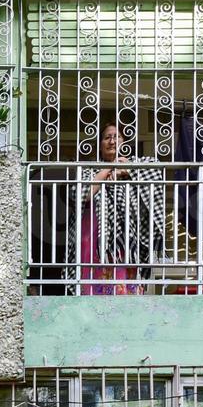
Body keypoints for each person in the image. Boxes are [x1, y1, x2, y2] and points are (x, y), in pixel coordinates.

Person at [74, 122, 165, 295]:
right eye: (107, 137)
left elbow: (155, 175)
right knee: (95, 291)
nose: (112, 141)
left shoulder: (137, 164)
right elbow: (84, 193)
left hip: (128, 241)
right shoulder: (89, 169)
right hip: (95, 240)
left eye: (117, 137)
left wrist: (128, 169)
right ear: (100, 144)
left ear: (125, 142)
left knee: (125, 289)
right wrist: (110, 168)